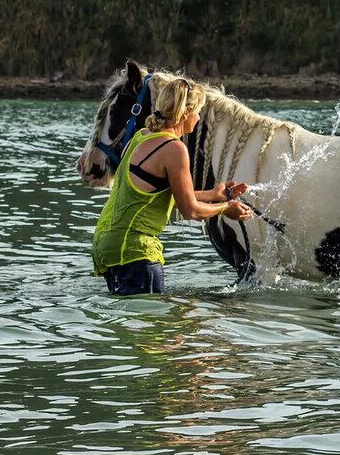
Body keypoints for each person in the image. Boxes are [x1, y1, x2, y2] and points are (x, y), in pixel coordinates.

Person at [91, 78, 252, 295]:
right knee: (154, 326)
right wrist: (226, 209)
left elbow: (159, 197)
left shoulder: (139, 137)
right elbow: (190, 210)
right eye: (198, 112)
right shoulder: (174, 149)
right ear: (186, 113)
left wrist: (214, 194)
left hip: (107, 246)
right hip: (135, 251)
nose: (198, 118)